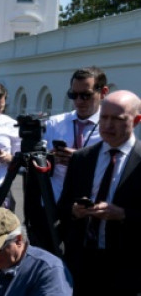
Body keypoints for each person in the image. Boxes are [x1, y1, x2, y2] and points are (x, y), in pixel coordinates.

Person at [58, 90, 141, 296]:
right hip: (81, 264)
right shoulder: (82, 158)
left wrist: (123, 215)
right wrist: (74, 211)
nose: (108, 124)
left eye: (117, 119)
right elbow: (62, 207)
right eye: (104, 117)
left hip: (125, 269)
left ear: (136, 121)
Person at [45, 66, 108, 202]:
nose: (79, 101)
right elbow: (38, 165)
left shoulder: (111, 128)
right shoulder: (54, 123)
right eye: (73, 95)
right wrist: (51, 159)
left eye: (86, 95)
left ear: (103, 92)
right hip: (53, 202)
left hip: (91, 206)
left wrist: (79, 161)